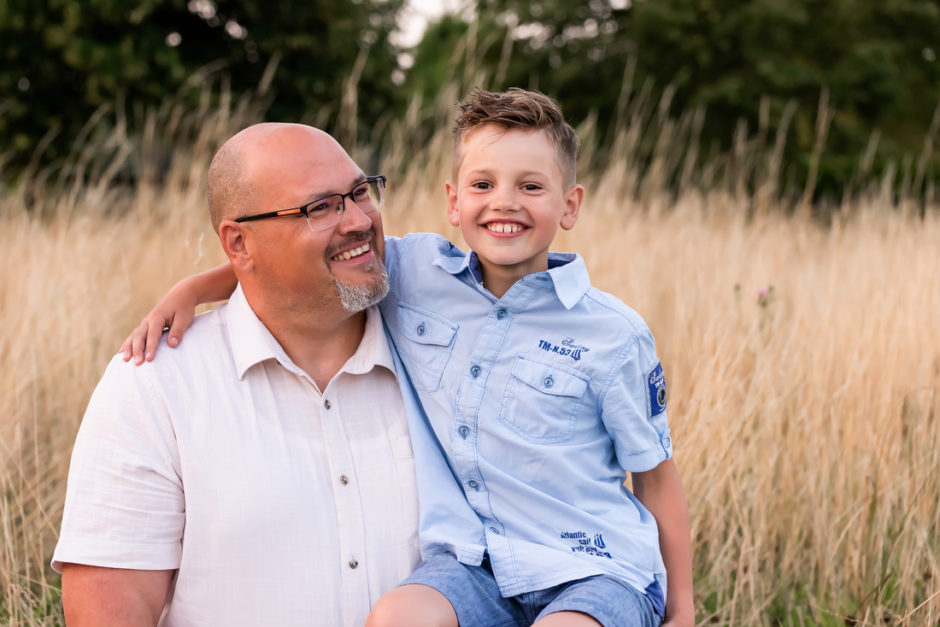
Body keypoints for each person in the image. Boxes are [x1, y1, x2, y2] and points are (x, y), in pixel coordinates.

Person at [125, 88, 694, 626]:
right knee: (398, 616)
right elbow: (304, 260)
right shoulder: (415, 271)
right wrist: (195, 289)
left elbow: (656, 478)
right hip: (476, 563)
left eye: (531, 187)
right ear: (452, 200)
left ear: (570, 206)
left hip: (590, 567)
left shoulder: (611, 333)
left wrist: (683, 608)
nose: (505, 203)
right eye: (482, 184)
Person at [53, 123, 422, 626]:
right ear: (239, 244)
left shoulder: (439, 350)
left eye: (360, 192)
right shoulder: (155, 387)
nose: (359, 220)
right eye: (320, 207)